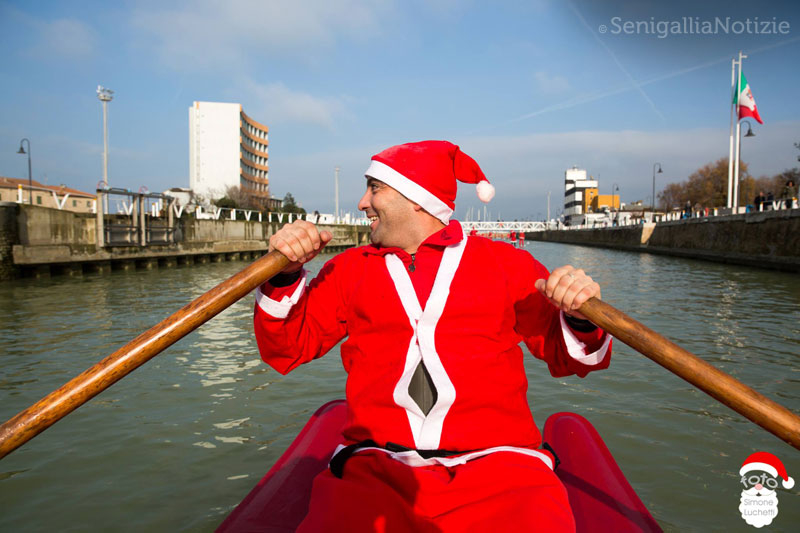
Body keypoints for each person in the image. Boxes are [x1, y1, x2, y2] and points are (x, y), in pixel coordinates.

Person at [254, 140, 611, 532]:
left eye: (374, 188)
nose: (361, 202)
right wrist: (285, 275)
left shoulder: (507, 264)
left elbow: (574, 359)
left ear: (417, 200)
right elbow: (285, 348)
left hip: (503, 470)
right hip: (377, 470)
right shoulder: (347, 269)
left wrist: (577, 314)